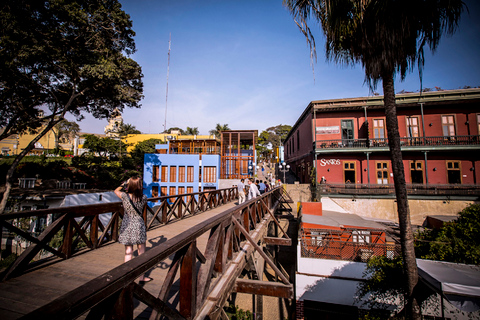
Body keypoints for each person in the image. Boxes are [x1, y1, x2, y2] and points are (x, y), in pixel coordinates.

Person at [114, 176, 152, 283]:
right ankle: (141, 276)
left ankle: (127, 276)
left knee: (128, 252)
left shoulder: (124, 196)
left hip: (127, 224)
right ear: (139, 186)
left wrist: (124, 184)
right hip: (138, 224)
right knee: (141, 252)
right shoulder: (143, 197)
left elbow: (116, 191)